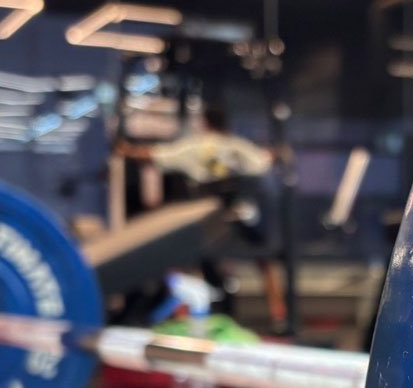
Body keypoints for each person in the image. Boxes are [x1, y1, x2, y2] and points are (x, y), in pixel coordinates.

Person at [115, 101, 286, 328]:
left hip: (209, 222)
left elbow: (150, 155)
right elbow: (264, 162)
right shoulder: (238, 145)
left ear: (204, 123)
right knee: (264, 260)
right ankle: (278, 314)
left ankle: (193, 313)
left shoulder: (194, 145)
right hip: (241, 220)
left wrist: (122, 148)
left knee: (184, 258)